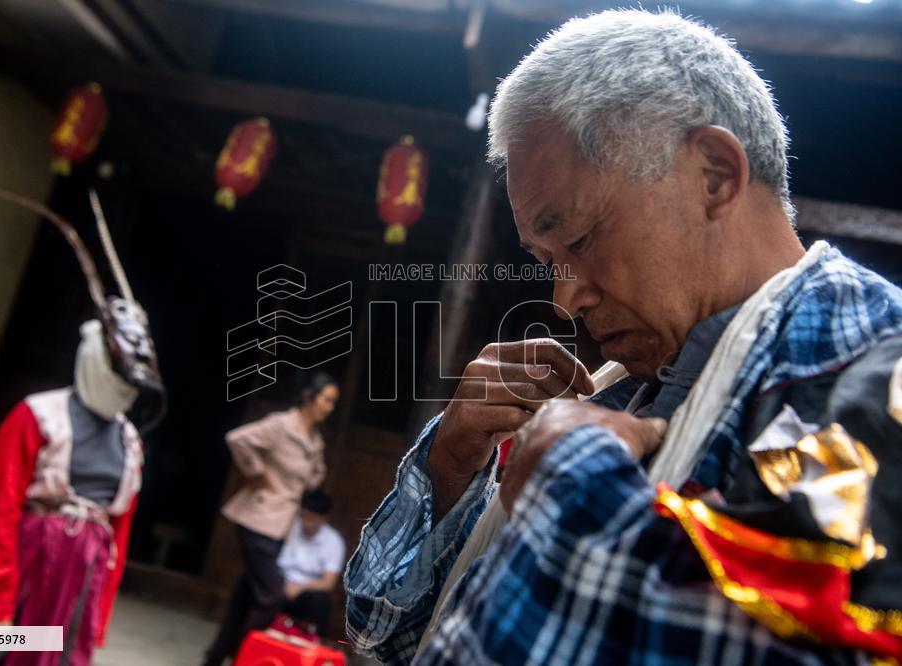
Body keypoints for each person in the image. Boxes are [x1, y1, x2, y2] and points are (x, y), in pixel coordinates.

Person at [345, 9, 902, 665]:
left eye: (580, 240)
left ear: (715, 174)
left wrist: (575, 490)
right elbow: (381, 638)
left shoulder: (870, 355)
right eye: (547, 260)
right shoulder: (616, 394)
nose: (565, 301)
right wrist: (449, 469)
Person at [0, 184, 166, 666]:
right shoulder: (39, 415)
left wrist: (97, 613)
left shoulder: (130, 441)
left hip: (71, 582)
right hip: (16, 564)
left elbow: (117, 532)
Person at [203, 372, 339, 666]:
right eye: (326, 400)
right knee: (271, 597)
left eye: (333, 402)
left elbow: (312, 480)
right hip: (259, 518)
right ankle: (245, 658)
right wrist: (258, 473)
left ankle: (214, 658)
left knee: (246, 597)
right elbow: (237, 439)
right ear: (308, 396)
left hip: (280, 526)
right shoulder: (281, 425)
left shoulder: (314, 439)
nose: (330, 407)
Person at [276, 490, 346, 635]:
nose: (307, 523)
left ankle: (311, 639)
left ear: (323, 518)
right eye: (305, 517)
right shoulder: (289, 526)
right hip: (278, 582)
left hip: (305, 590)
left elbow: (328, 582)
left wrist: (299, 588)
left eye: (312, 519)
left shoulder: (334, 541)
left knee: (320, 600)